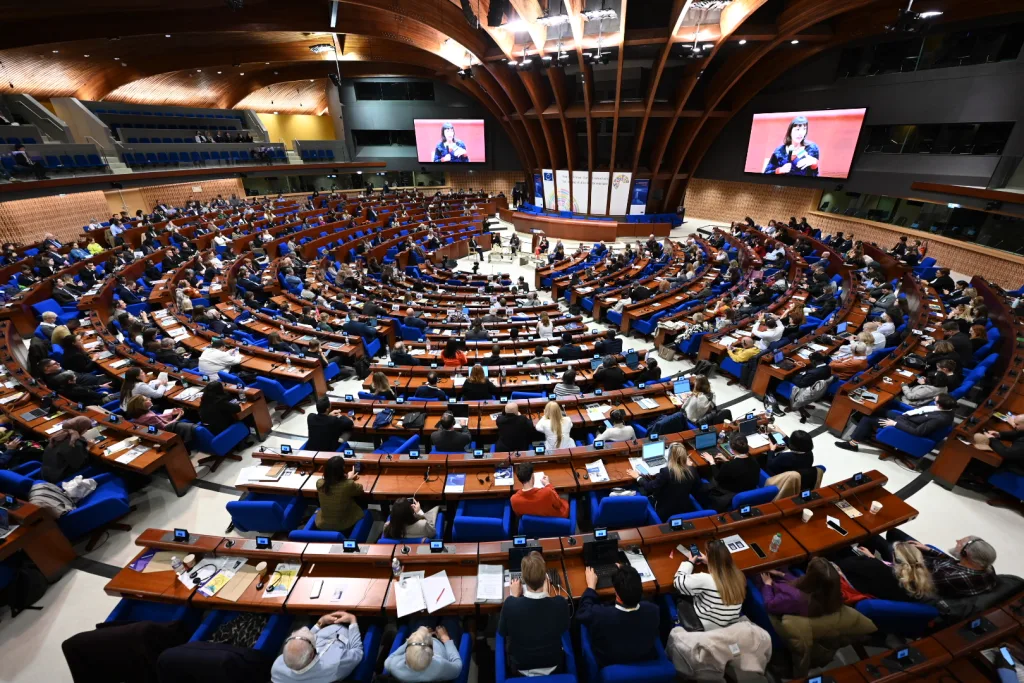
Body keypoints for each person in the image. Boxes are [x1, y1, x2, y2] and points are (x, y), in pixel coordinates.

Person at [498, 551, 570, 676]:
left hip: (521, 668)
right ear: (546, 578)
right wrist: (547, 594)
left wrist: (514, 596)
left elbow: (502, 632)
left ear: (523, 579)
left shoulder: (510, 604)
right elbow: (564, 628)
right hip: (554, 665)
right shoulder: (560, 603)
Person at [576, 564, 659, 667]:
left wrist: (591, 587)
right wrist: (629, 579)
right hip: (644, 659)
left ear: (617, 595)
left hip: (611, 662)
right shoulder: (653, 610)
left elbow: (582, 612)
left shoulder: (600, 615)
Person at [836, 393, 957, 452]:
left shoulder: (939, 419)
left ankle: (853, 444)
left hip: (905, 426)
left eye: (935, 400)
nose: (934, 400)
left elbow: (918, 432)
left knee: (867, 419)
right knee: (877, 410)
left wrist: (894, 424)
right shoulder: (948, 409)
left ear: (940, 405)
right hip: (907, 418)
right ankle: (863, 432)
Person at [673, 539, 747, 630]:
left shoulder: (706, 579)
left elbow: (677, 582)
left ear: (710, 558)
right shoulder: (739, 576)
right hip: (730, 626)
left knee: (680, 595)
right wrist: (710, 562)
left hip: (708, 627)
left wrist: (690, 562)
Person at [271, 613, 363, 683]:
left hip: (325, 627)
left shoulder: (277, 667)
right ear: (312, 654)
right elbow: (357, 651)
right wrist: (352, 620)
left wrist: (320, 623)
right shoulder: (335, 663)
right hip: (348, 632)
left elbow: (301, 648)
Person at [837, 540, 937, 603]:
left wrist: (870, 560)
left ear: (895, 559)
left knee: (841, 549)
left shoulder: (879, 569)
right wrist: (872, 559)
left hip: (858, 585)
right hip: (884, 591)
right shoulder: (923, 578)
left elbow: (843, 564)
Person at [628, 443, 697, 520]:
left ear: (670, 456)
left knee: (641, 489)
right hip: (684, 508)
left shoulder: (666, 472)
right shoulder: (692, 470)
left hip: (664, 511)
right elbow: (697, 487)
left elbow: (649, 487)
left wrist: (638, 477)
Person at [756, 557, 842, 618]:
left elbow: (770, 605)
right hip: (782, 588)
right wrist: (781, 574)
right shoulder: (829, 594)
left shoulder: (795, 598)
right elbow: (800, 583)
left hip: (770, 594)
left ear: (811, 577)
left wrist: (767, 584)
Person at [384, 622, 464, 682]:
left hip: (420, 644)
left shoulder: (393, 665)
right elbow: (457, 667)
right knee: (450, 620)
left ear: (407, 652)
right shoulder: (439, 666)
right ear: (432, 654)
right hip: (443, 645)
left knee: (422, 619)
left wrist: (414, 639)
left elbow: (390, 659)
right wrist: (446, 639)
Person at [705, 434, 761, 512]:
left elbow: (717, 477)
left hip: (729, 494)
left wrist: (712, 462)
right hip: (747, 491)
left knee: (707, 477)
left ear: (732, 450)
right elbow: (740, 467)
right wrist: (726, 461)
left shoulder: (729, 466)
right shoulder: (754, 461)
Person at [314, 455, 365, 534]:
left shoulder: (320, 483)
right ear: (342, 470)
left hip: (323, 524)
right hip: (343, 526)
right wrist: (348, 479)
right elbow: (360, 490)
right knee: (362, 502)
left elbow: (334, 483)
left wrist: (347, 480)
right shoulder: (348, 485)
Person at [40, 415, 92, 483]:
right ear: (83, 429)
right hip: (59, 477)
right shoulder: (74, 443)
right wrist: (88, 447)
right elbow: (80, 464)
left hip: (45, 472)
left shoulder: (58, 435)